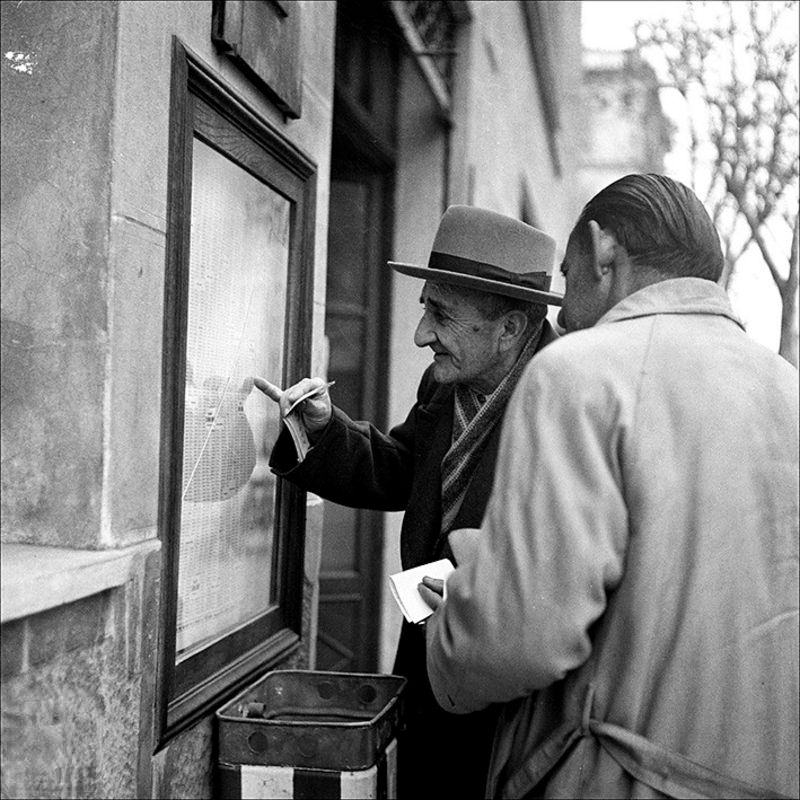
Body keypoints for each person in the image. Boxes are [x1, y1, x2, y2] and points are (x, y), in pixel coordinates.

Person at [421, 174, 799, 798]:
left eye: (568, 278)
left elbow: (516, 641)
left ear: (602, 251)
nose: (564, 313)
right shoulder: (785, 386)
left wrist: (462, 609)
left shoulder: (579, 372)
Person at [255, 204, 563, 798]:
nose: (422, 335)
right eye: (426, 309)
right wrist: (324, 430)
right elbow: (402, 470)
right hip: (426, 664)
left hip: (508, 699)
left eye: (440, 315)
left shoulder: (570, 401)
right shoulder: (446, 380)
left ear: (511, 330)